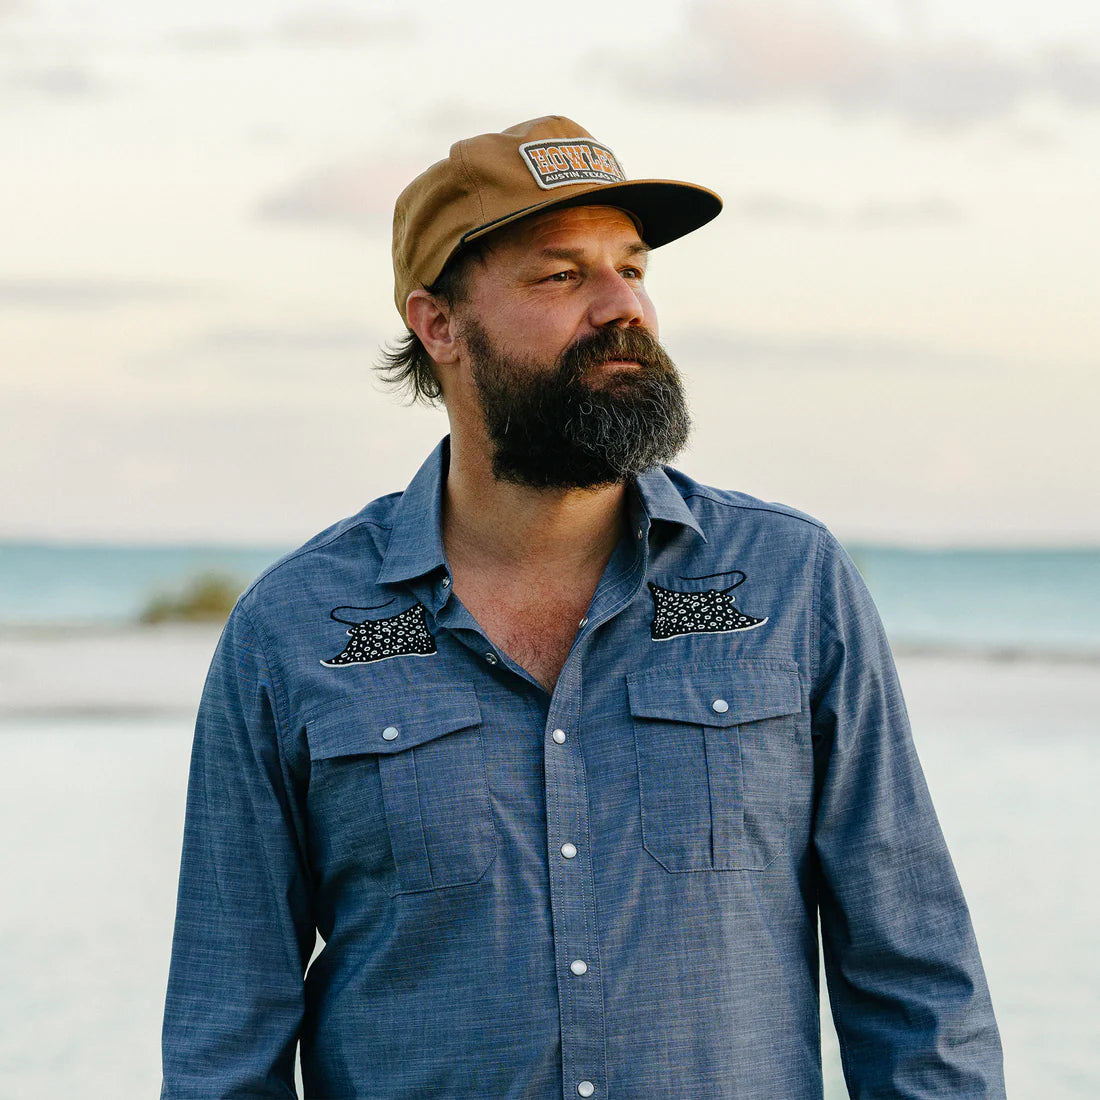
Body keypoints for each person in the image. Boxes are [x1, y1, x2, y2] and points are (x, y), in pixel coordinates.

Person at [161, 116, 1005, 1098]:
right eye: (562, 275)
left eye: (632, 267)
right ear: (439, 326)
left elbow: (914, 983)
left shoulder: (788, 584)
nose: (622, 306)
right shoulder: (296, 628)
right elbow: (227, 1038)